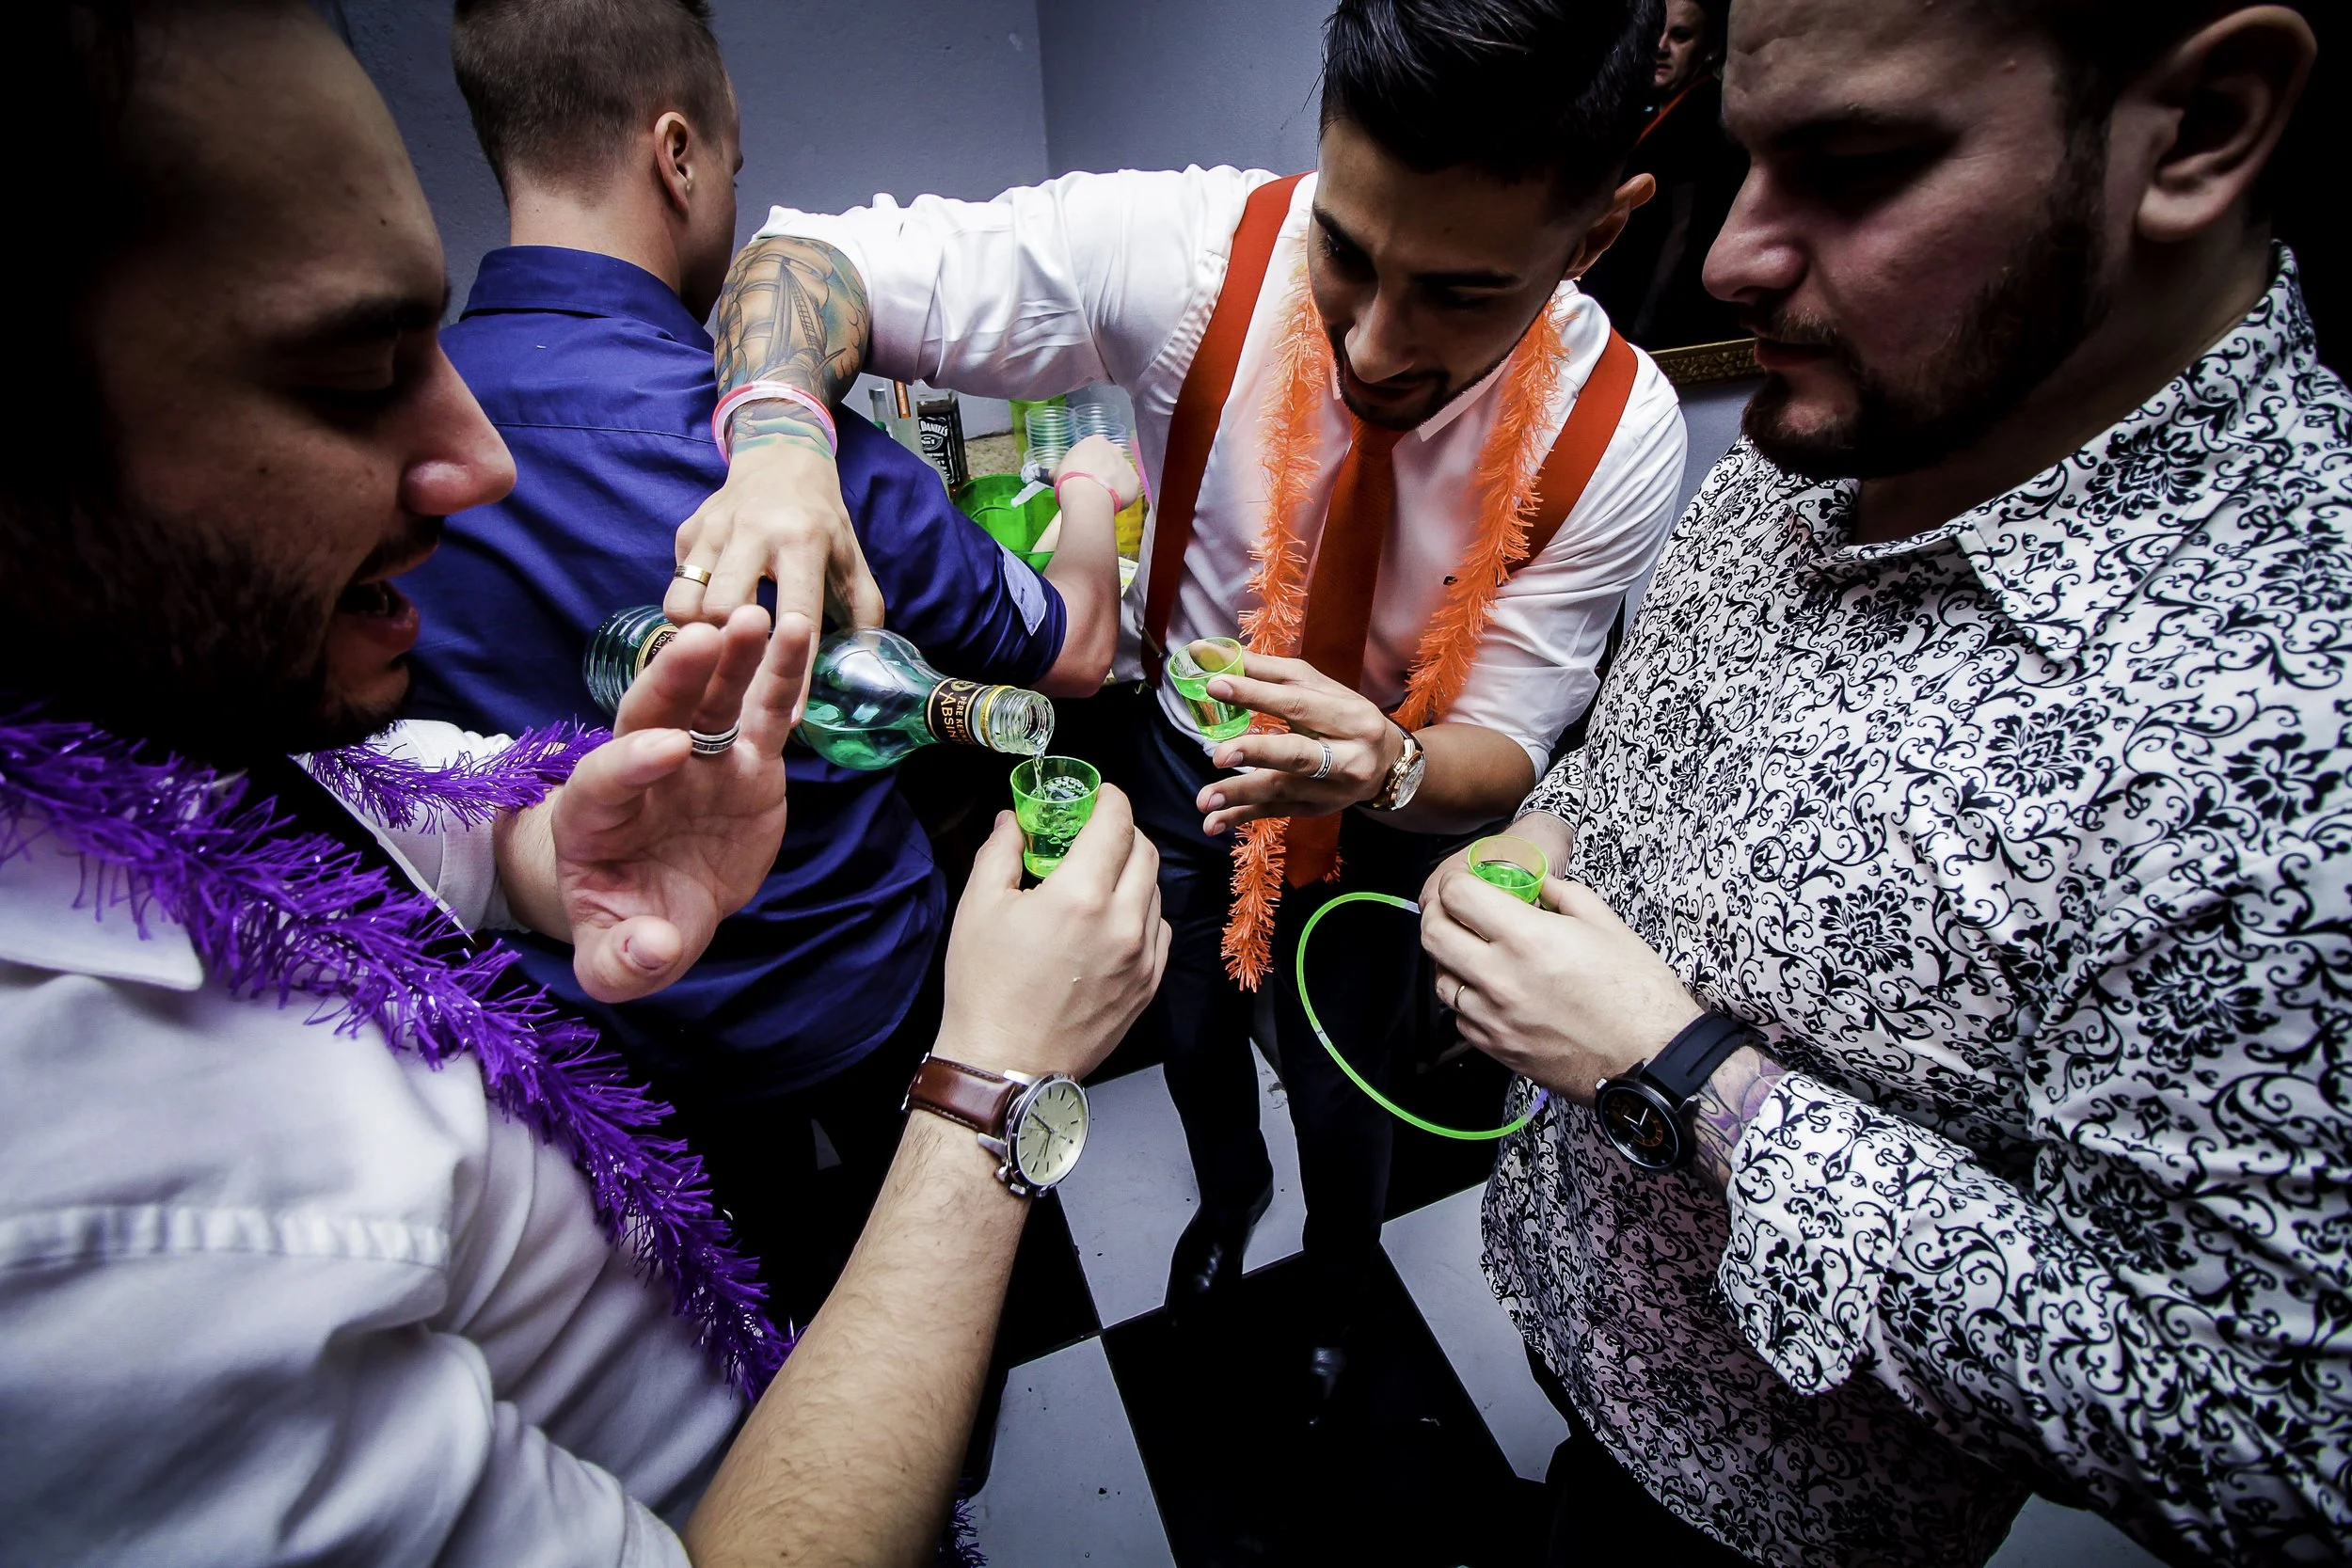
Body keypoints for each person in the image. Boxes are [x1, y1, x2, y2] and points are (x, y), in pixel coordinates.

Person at [0, 4, 1167, 1565]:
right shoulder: (91, 1230)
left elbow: (369, 804)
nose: (475, 461)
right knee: (911, 1345)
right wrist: (996, 1081)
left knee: (778, 1281)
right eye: (353, 372)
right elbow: (1074, 647)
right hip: (875, 1023)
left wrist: (549, 848)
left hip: (650, 1054)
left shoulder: (151, 722)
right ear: (679, 151)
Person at [1420, 0, 2343, 1562]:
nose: (1725, 258)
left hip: (1769, 1521)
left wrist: (1680, 1073)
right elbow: (1646, 739)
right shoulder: (1854, 412)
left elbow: (2269, 1448)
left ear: (2201, 130)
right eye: (1744, 153)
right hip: (1576, 1332)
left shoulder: (2296, 728)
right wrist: (1554, 823)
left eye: (1851, 163)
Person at [665, 0, 1689, 1406]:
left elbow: (1505, 750)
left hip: (1381, 812)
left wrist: (1385, 765)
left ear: (1593, 237)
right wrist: (780, 445)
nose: (1378, 343)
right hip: (1183, 768)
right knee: (1194, 1031)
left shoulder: (1616, 424)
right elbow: (802, 259)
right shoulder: (1196, 256)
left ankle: (1338, 1262)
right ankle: (1230, 1199)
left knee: (1343, 1080)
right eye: (1348, 250)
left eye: (1461, 291)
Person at [403, 0, 1134, 1331]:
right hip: (862, 994)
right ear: (678, 153)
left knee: (744, 1308)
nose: (731, 198)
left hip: (613, 1028)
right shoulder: (804, 465)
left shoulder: (408, 444)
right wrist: (1088, 489)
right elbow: (1074, 649)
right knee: (935, 1288)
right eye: (732, 164)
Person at [1579, 0, 1748, 347]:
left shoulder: (1707, 114)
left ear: (1711, 48)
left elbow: (1684, 235)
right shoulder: (1637, 111)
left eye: (1681, 36)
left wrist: (1645, 332)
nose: (1661, 47)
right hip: (1618, 302)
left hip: (1659, 321)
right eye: (1656, 32)